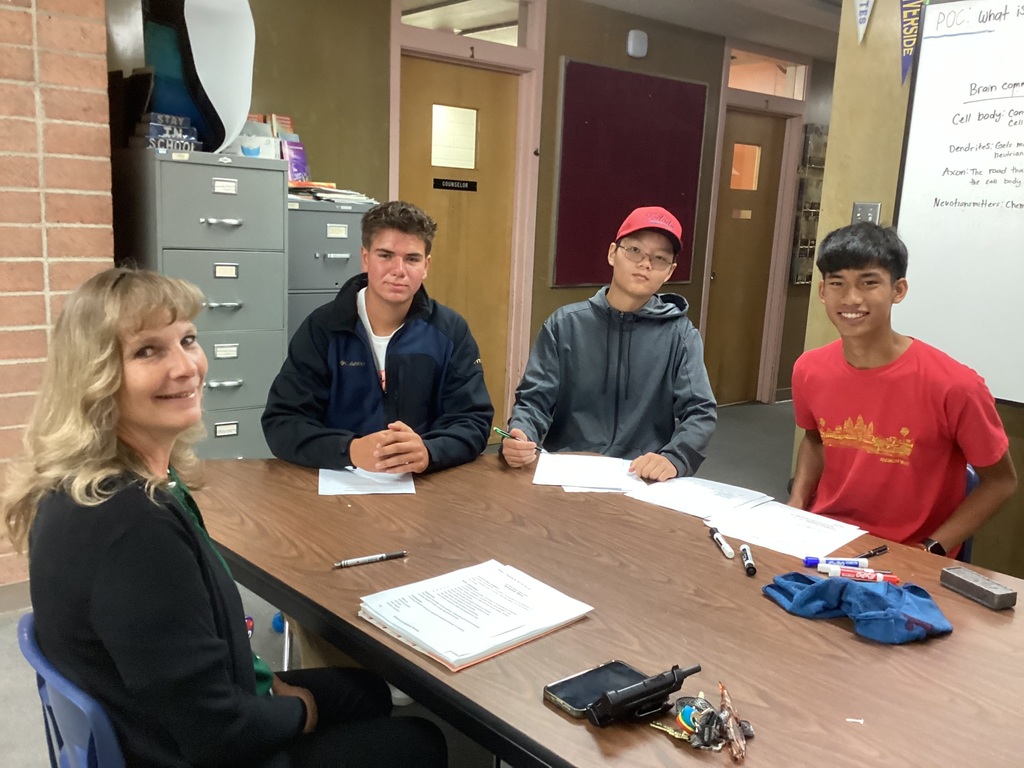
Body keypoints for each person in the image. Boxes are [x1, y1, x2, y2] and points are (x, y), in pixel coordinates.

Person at [1, 268, 447, 768]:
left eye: (187, 340)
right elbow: (217, 733)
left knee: (366, 690)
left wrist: (263, 679)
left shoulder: (87, 483)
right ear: (95, 376)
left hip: (162, 713)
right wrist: (301, 713)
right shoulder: (131, 528)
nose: (187, 367)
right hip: (193, 750)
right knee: (420, 742)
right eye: (148, 351)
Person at [788, 222, 1016, 555]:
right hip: (824, 537)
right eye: (837, 283)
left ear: (899, 290)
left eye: (869, 283)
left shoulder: (956, 386)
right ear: (823, 291)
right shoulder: (809, 369)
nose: (851, 298)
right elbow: (815, 439)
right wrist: (796, 503)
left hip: (909, 554)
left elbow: (1001, 481)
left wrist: (932, 548)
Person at [262, 200, 493, 475]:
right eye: (385, 255)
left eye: (412, 258)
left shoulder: (450, 331)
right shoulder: (323, 328)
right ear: (365, 258)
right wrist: (349, 450)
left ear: (426, 265)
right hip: (337, 483)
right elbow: (282, 423)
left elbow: (473, 420)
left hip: (423, 486)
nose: (399, 270)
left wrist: (430, 452)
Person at [502, 206, 717, 481]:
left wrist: (674, 458)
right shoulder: (565, 325)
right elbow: (534, 400)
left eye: (660, 258)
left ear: (669, 272)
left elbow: (700, 411)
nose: (645, 264)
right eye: (635, 251)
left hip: (641, 476)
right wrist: (522, 433)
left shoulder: (680, 335)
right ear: (613, 253)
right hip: (569, 471)